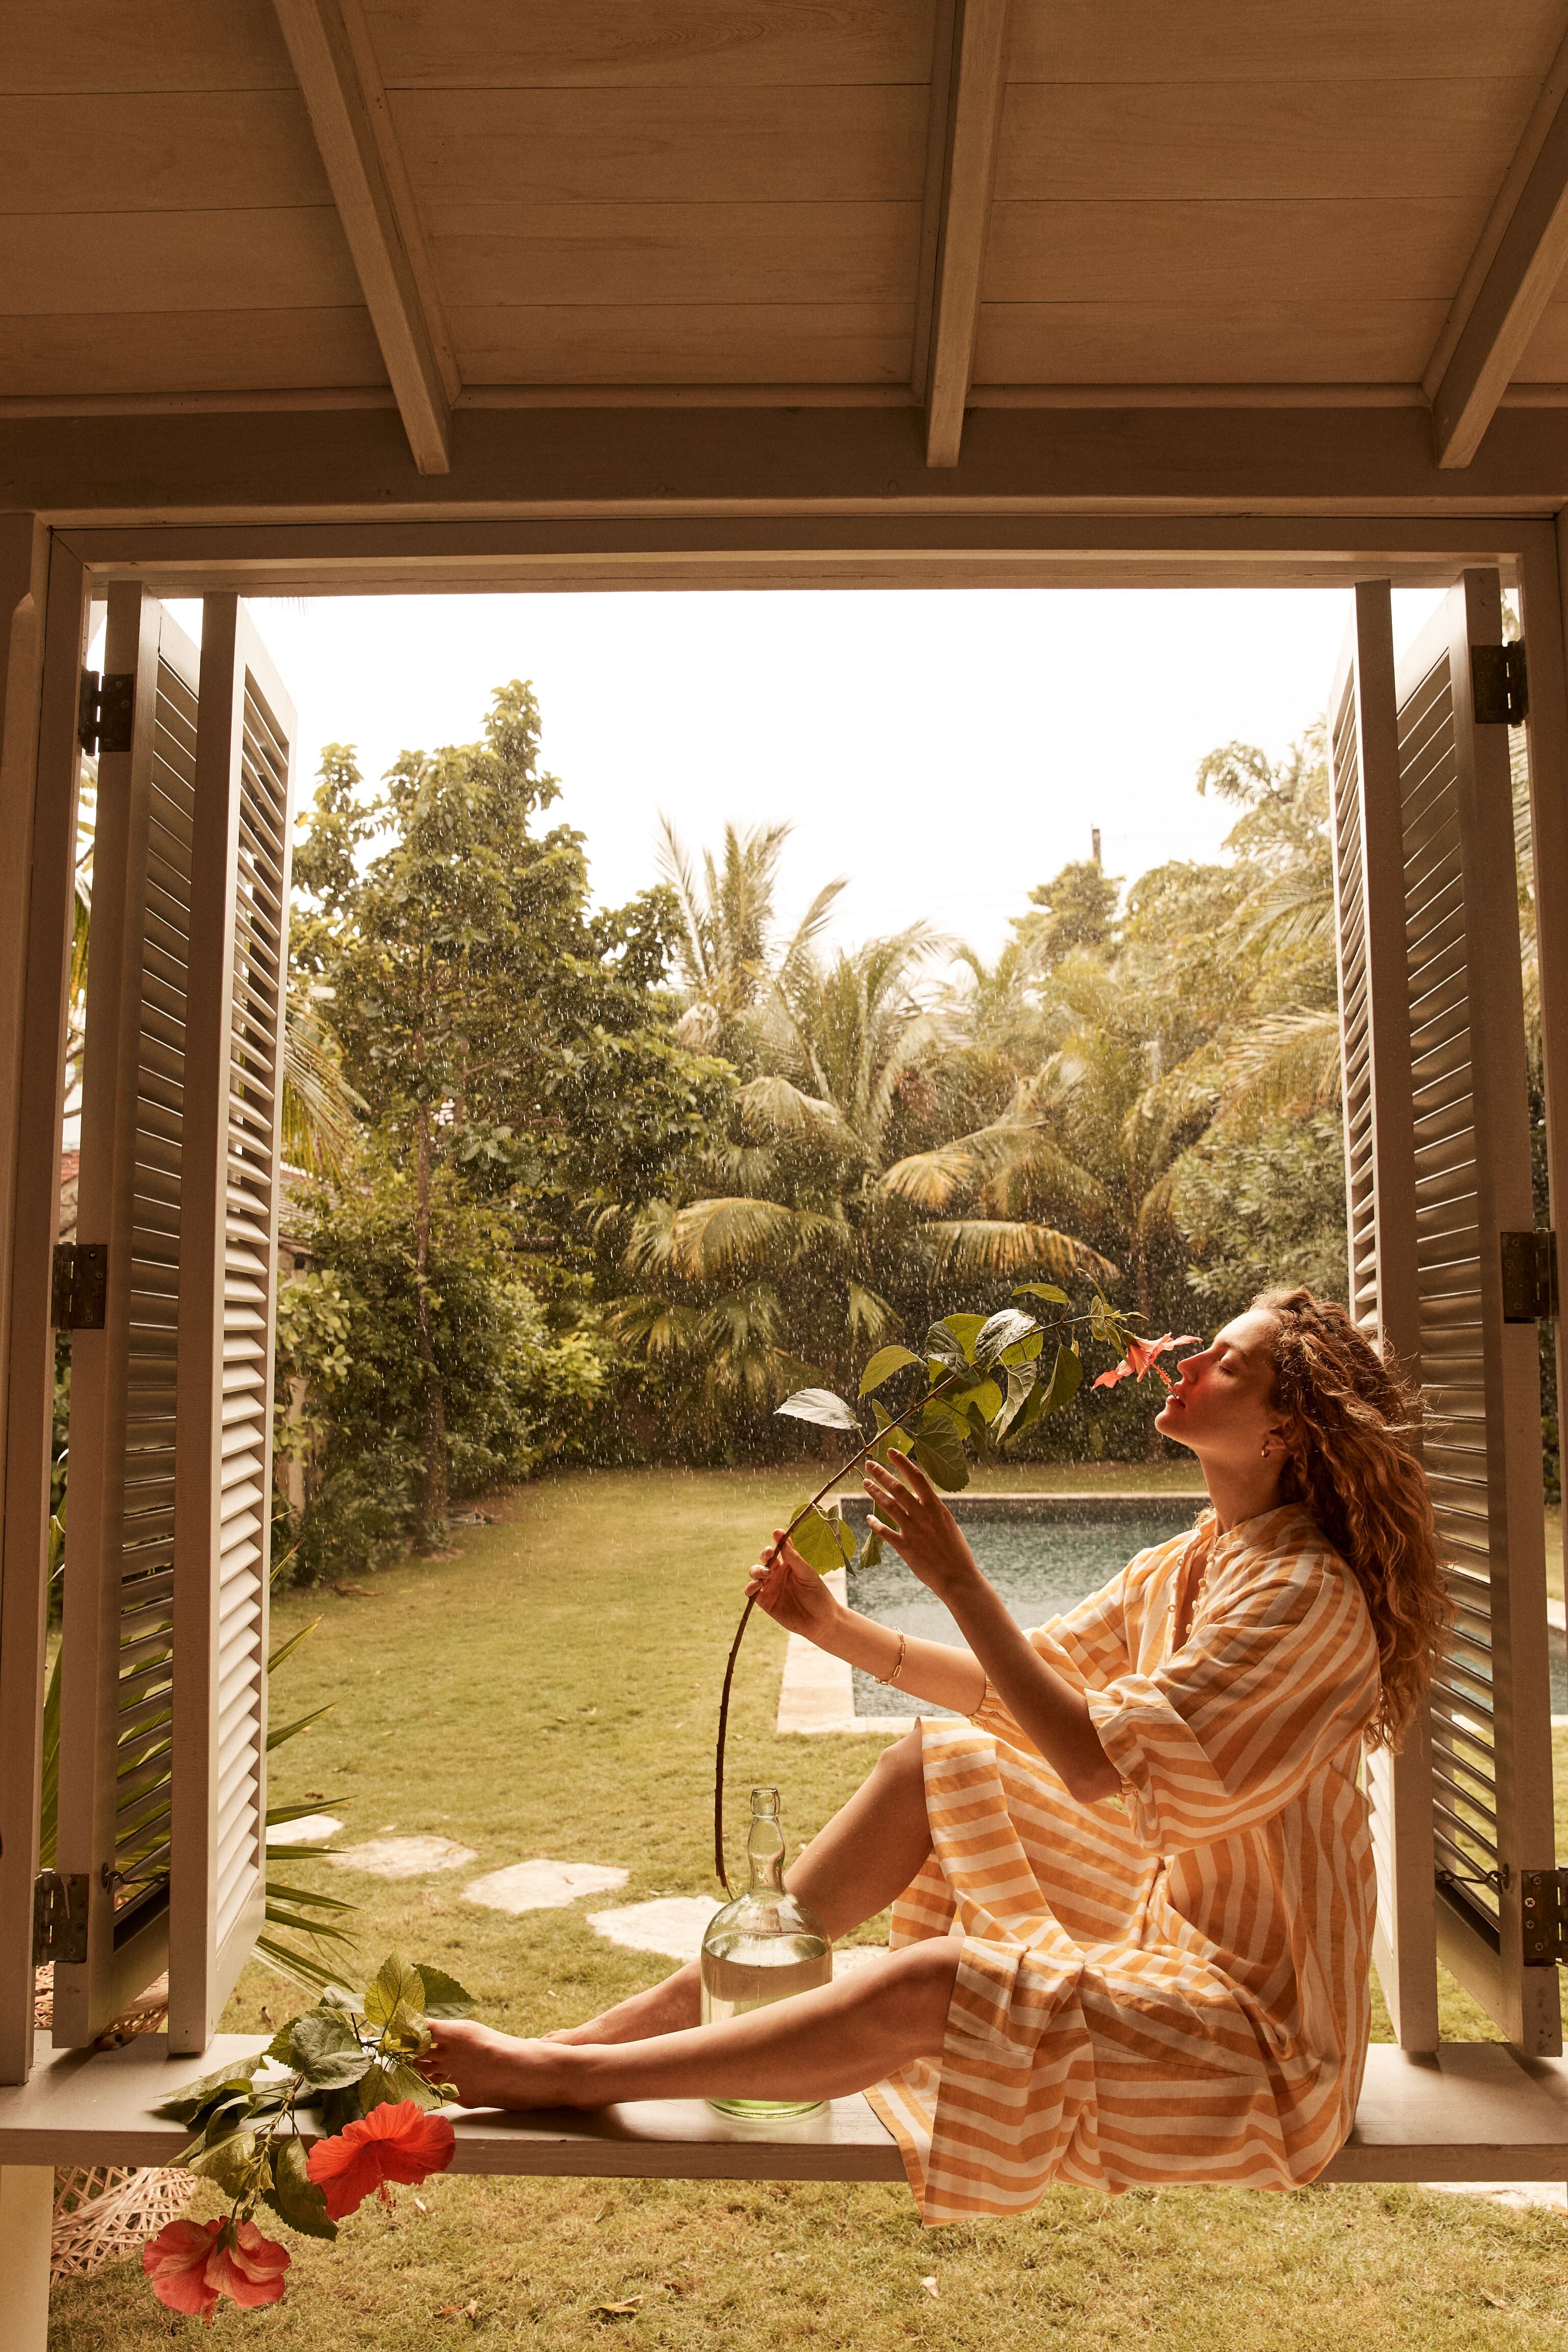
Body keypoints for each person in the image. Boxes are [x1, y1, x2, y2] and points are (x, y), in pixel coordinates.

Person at [418, 1288, 1450, 2221]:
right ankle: (597, 2038)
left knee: (935, 1984)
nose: (1187, 1363)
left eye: (1228, 1361)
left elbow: (1091, 1764)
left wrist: (959, 1578)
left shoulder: (1302, 1600)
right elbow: (1025, 1690)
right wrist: (833, 1628)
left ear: (1285, 1428)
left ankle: (571, 2081)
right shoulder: (1195, 1561)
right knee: (936, 1763)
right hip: (1164, 1927)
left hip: (1262, 2050)